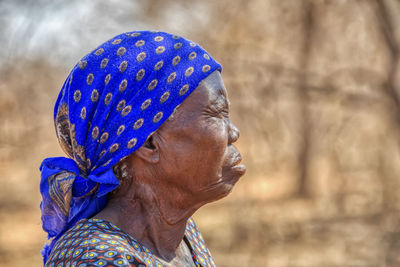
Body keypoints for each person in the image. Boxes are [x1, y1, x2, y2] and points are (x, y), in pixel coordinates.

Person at [40, 30, 246, 267]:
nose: (234, 132)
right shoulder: (96, 258)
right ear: (149, 143)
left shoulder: (182, 236)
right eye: (217, 113)